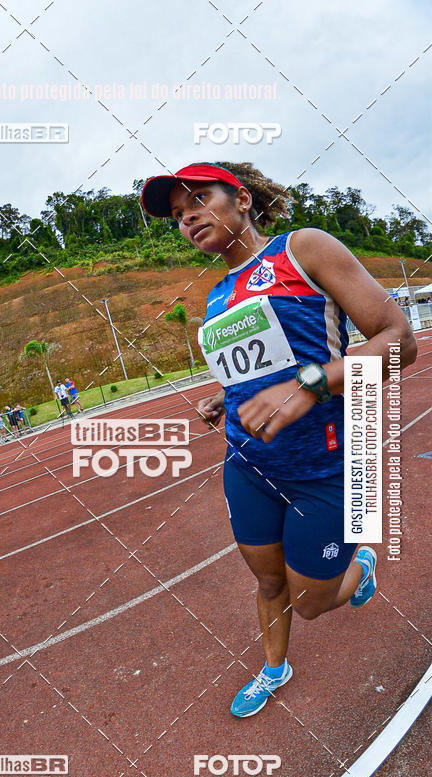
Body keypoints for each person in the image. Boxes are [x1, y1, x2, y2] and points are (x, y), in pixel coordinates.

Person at [141, 161, 417, 718]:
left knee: (312, 602)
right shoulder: (217, 297)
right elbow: (258, 365)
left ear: (241, 199)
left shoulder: (303, 249)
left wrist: (310, 383)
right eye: (177, 214)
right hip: (248, 464)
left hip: (329, 464)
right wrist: (227, 396)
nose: (188, 216)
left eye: (198, 199)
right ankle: (274, 667)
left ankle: (359, 566)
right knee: (269, 582)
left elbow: (400, 342)